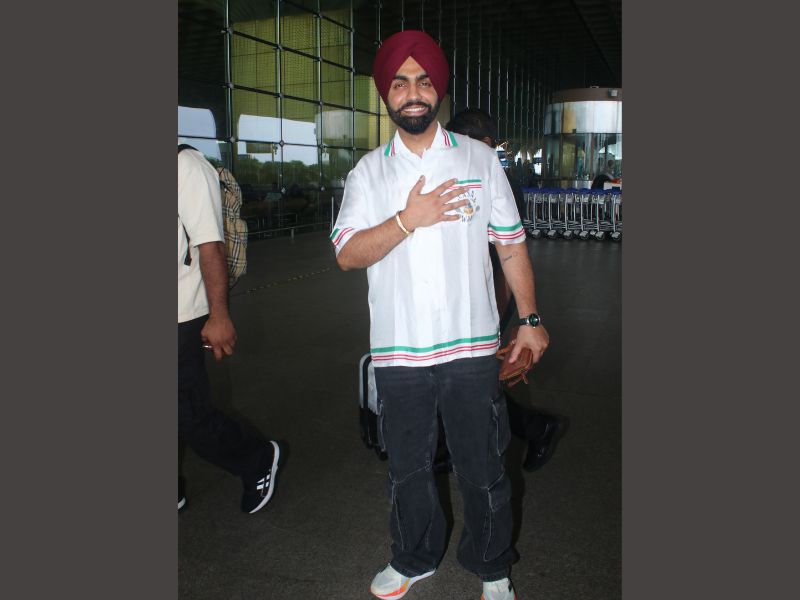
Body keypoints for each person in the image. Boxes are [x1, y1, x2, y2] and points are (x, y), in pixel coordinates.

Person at [331, 30, 549, 600]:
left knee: (484, 465)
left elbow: (510, 243)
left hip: (471, 347)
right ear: (387, 94)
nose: (413, 93)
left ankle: (492, 565)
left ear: (438, 90)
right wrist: (409, 219)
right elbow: (347, 253)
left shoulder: (478, 159)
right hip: (399, 350)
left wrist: (529, 319)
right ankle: (413, 557)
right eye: (400, 83)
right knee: (407, 468)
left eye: (424, 81)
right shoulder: (368, 173)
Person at [444, 107, 569, 474]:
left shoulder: (497, 181)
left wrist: (501, 312)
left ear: (483, 143)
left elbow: (507, 252)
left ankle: (535, 427)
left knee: (473, 380)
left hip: (489, 296)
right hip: (464, 294)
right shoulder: (467, 173)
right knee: (461, 378)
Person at [178, 146, 282, 514]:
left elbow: (210, 246)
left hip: (182, 312)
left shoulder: (186, 166)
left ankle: (256, 459)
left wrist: (219, 315)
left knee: (189, 414)